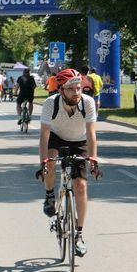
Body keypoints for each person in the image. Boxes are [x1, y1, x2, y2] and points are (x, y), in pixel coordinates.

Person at [36, 68, 98, 257]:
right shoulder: (50, 103)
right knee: (50, 163)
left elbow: (91, 134)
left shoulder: (87, 102)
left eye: (78, 88)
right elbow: (44, 135)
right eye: (71, 89)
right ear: (61, 90)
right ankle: (49, 195)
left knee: (81, 186)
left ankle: (79, 235)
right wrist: (43, 162)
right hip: (56, 137)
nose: (76, 92)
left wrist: (93, 159)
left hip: (79, 141)